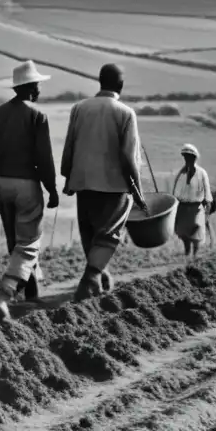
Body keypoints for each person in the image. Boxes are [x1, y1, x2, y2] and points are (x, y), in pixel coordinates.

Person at [0, 60, 58, 320]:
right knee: (28, 244)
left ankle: (32, 296)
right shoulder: (37, 115)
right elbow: (45, 158)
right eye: (38, 84)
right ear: (30, 87)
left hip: (3, 186)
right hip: (27, 186)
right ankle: (3, 298)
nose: (40, 88)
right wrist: (51, 189)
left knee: (15, 243)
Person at [61, 63, 148, 301]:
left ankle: (100, 278)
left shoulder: (79, 108)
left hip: (83, 182)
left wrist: (67, 176)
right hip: (113, 186)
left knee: (90, 233)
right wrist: (138, 193)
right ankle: (89, 282)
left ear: (100, 82)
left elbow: (69, 145)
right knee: (109, 235)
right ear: (120, 85)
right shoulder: (125, 113)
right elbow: (128, 158)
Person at [171, 143, 214, 264]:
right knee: (183, 232)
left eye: (190, 157)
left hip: (196, 207)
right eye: (185, 157)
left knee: (196, 231)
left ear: (195, 158)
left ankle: (195, 256)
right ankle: (187, 253)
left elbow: (207, 191)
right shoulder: (180, 174)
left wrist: (208, 204)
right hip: (182, 207)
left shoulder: (201, 173)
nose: (187, 159)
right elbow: (175, 191)